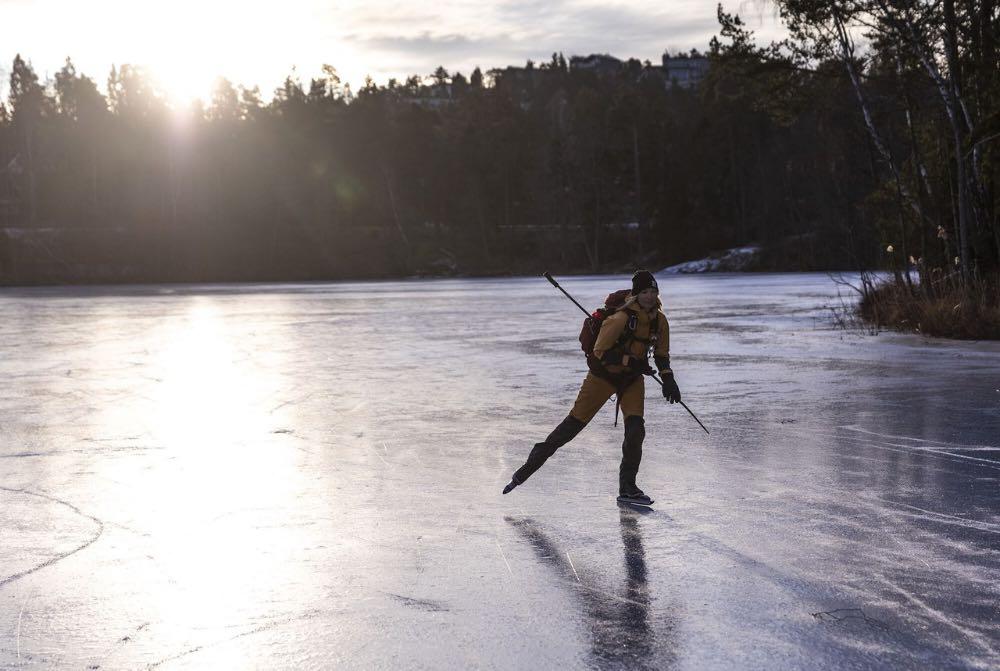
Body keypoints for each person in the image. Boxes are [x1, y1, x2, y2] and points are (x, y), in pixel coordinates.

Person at [502, 270, 681, 504]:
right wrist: (631, 362)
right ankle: (524, 472)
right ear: (636, 295)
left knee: (636, 430)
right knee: (569, 429)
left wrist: (669, 379)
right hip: (602, 379)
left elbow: (661, 353)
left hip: (631, 381)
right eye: (645, 292)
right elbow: (599, 352)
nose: (649, 296)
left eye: (653, 291)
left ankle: (628, 488)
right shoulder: (620, 319)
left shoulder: (660, 320)